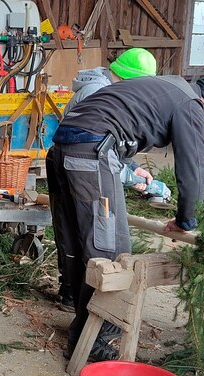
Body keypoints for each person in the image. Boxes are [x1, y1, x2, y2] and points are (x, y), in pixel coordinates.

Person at [46, 75, 204, 361]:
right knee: (113, 255)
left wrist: (129, 165)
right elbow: (193, 167)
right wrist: (186, 219)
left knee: (76, 240)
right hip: (91, 153)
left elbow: (117, 117)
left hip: (63, 147)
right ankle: (93, 346)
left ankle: (77, 314)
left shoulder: (168, 85)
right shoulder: (191, 104)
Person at [56, 47, 158, 310]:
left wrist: (131, 167)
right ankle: (76, 294)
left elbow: (112, 140)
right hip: (74, 160)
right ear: (130, 78)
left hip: (79, 157)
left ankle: (73, 292)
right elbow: (92, 148)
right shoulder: (98, 91)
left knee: (83, 226)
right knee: (88, 229)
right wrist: (123, 174)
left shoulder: (108, 87)